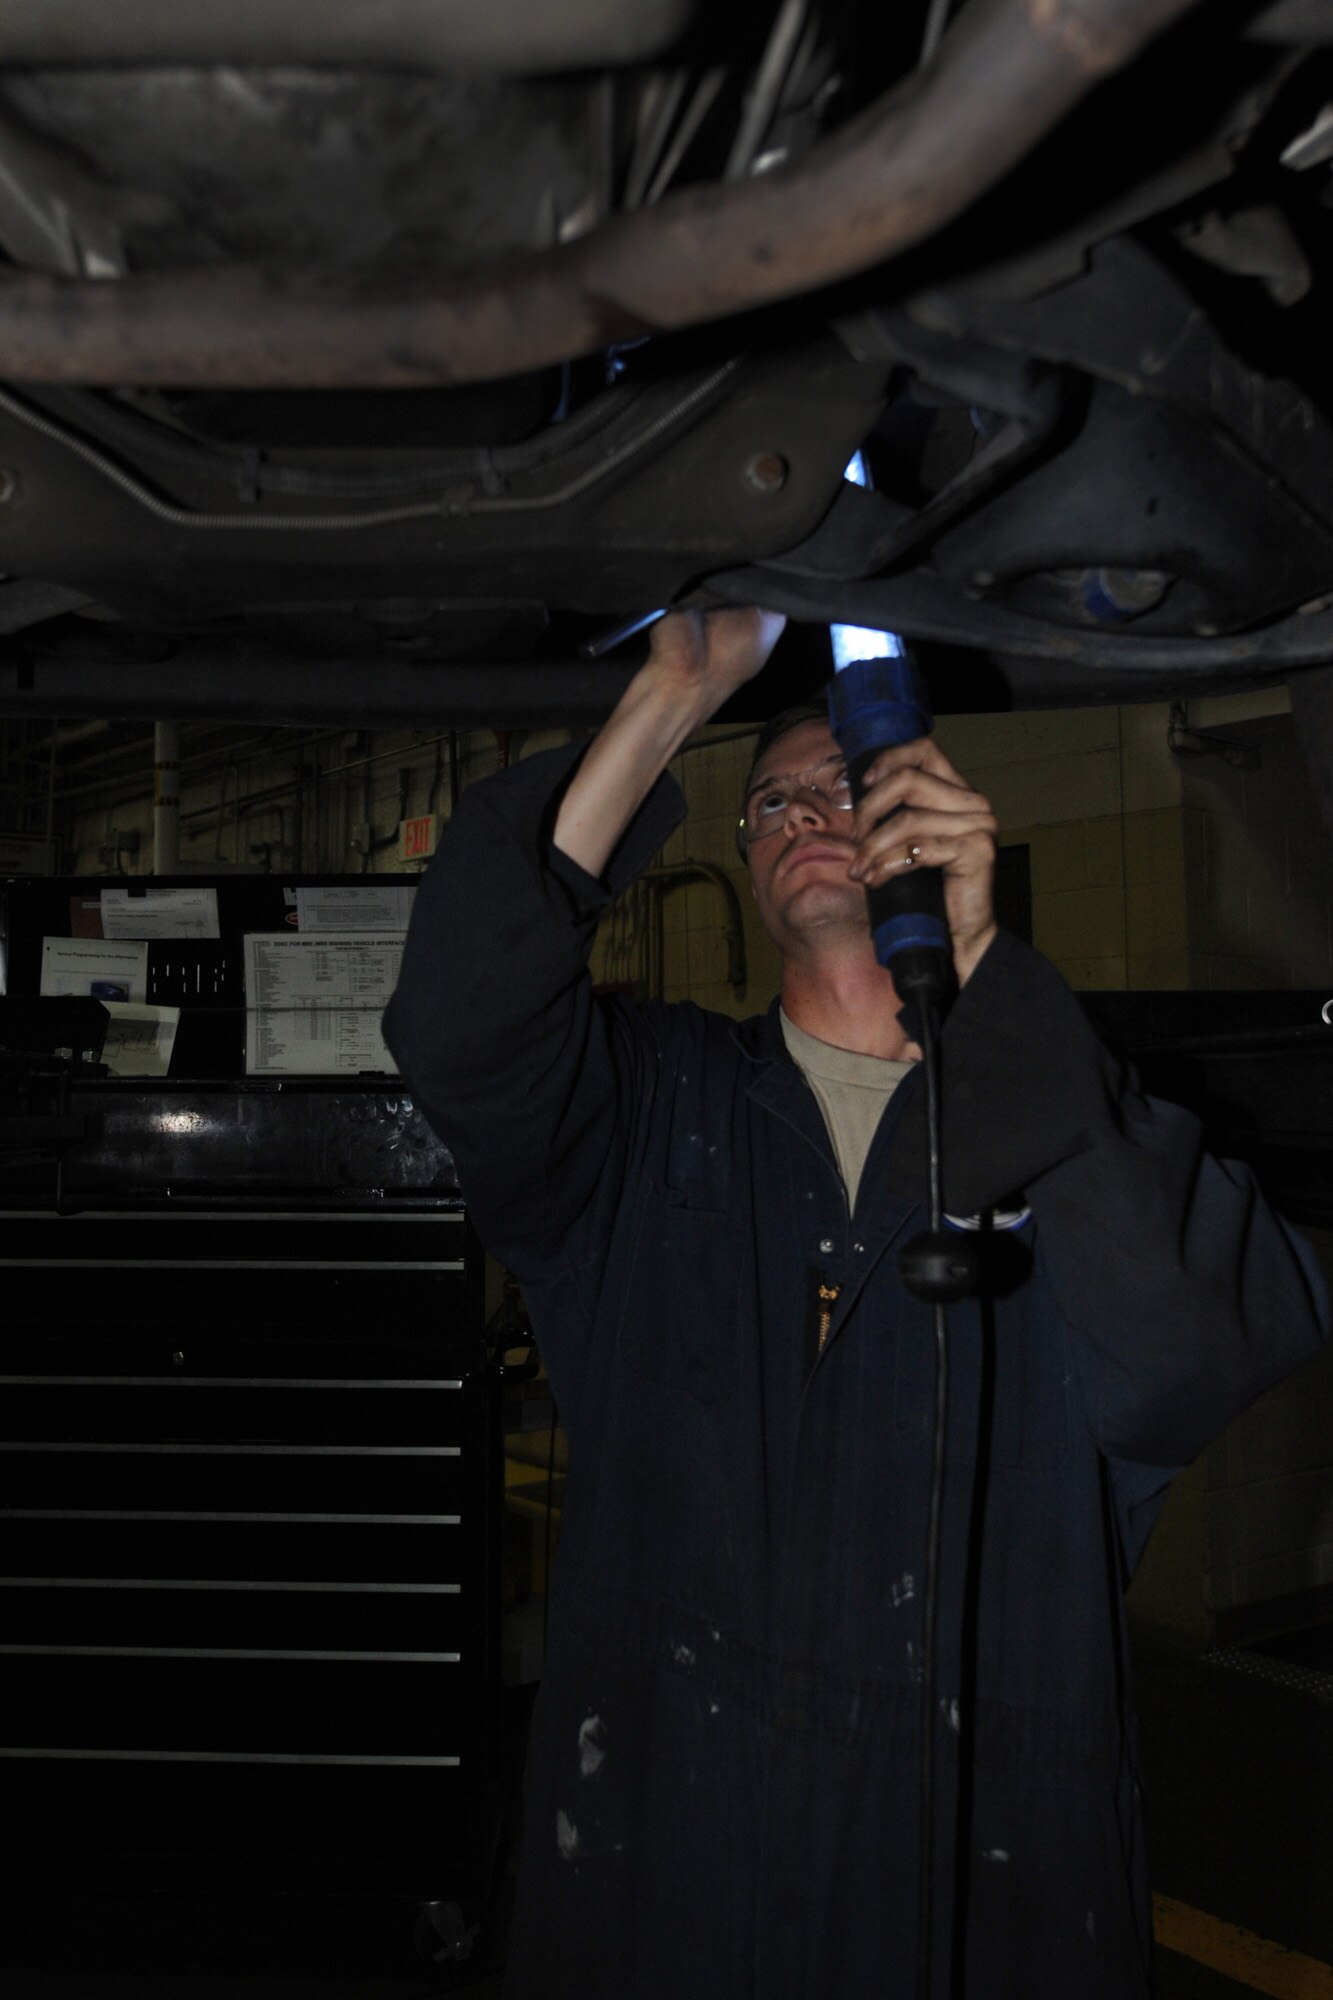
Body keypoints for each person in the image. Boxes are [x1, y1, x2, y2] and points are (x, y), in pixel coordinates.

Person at [383, 608, 1327, 2000]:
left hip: (977, 1869)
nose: (807, 812)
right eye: (773, 799)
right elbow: (464, 1017)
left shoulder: (1068, 1120)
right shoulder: (649, 1105)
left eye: (850, 785)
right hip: (659, 1844)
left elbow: (1203, 1351)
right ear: (750, 860)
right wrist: (671, 691)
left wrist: (986, 962)